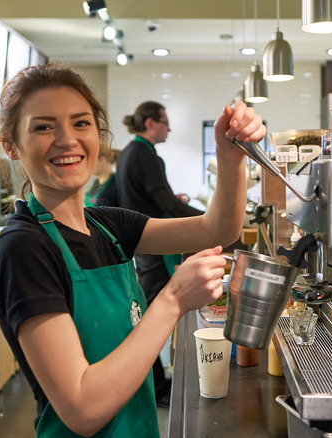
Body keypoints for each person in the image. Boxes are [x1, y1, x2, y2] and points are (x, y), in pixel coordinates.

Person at [0, 62, 264, 438]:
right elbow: (82, 409)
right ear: (12, 147)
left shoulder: (107, 225)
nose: (67, 139)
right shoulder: (23, 249)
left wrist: (230, 156)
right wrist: (173, 299)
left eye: (81, 123)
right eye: (43, 126)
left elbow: (217, 228)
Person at [116, 101, 203, 405]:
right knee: (151, 317)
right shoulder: (147, 155)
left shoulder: (128, 152)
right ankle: (157, 388)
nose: (169, 128)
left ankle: (156, 383)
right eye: (166, 122)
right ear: (151, 123)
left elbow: (118, 197)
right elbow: (166, 203)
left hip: (138, 246)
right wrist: (208, 220)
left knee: (143, 312)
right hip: (151, 249)